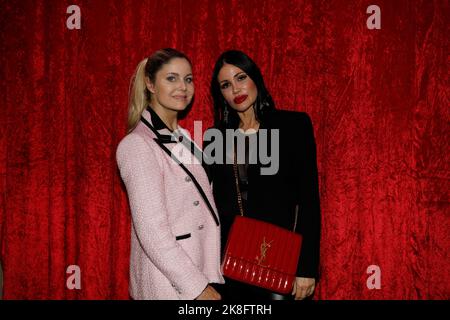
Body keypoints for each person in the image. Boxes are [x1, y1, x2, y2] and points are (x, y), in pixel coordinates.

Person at [206, 50, 321, 300]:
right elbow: (204, 204)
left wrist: (306, 267)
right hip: (229, 266)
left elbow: (309, 200)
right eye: (226, 85)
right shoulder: (215, 138)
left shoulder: (294, 126)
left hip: (280, 262)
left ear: (255, 78)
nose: (236, 89)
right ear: (221, 94)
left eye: (241, 77)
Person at [116, 48, 224, 300]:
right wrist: (196, 286)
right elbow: (152, 232)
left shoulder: (184, 138)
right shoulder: (137, 145)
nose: (183, 87)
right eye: (171, 78)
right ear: (150, 84)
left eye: (188, 79)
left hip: (199, 268)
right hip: (169, 283)